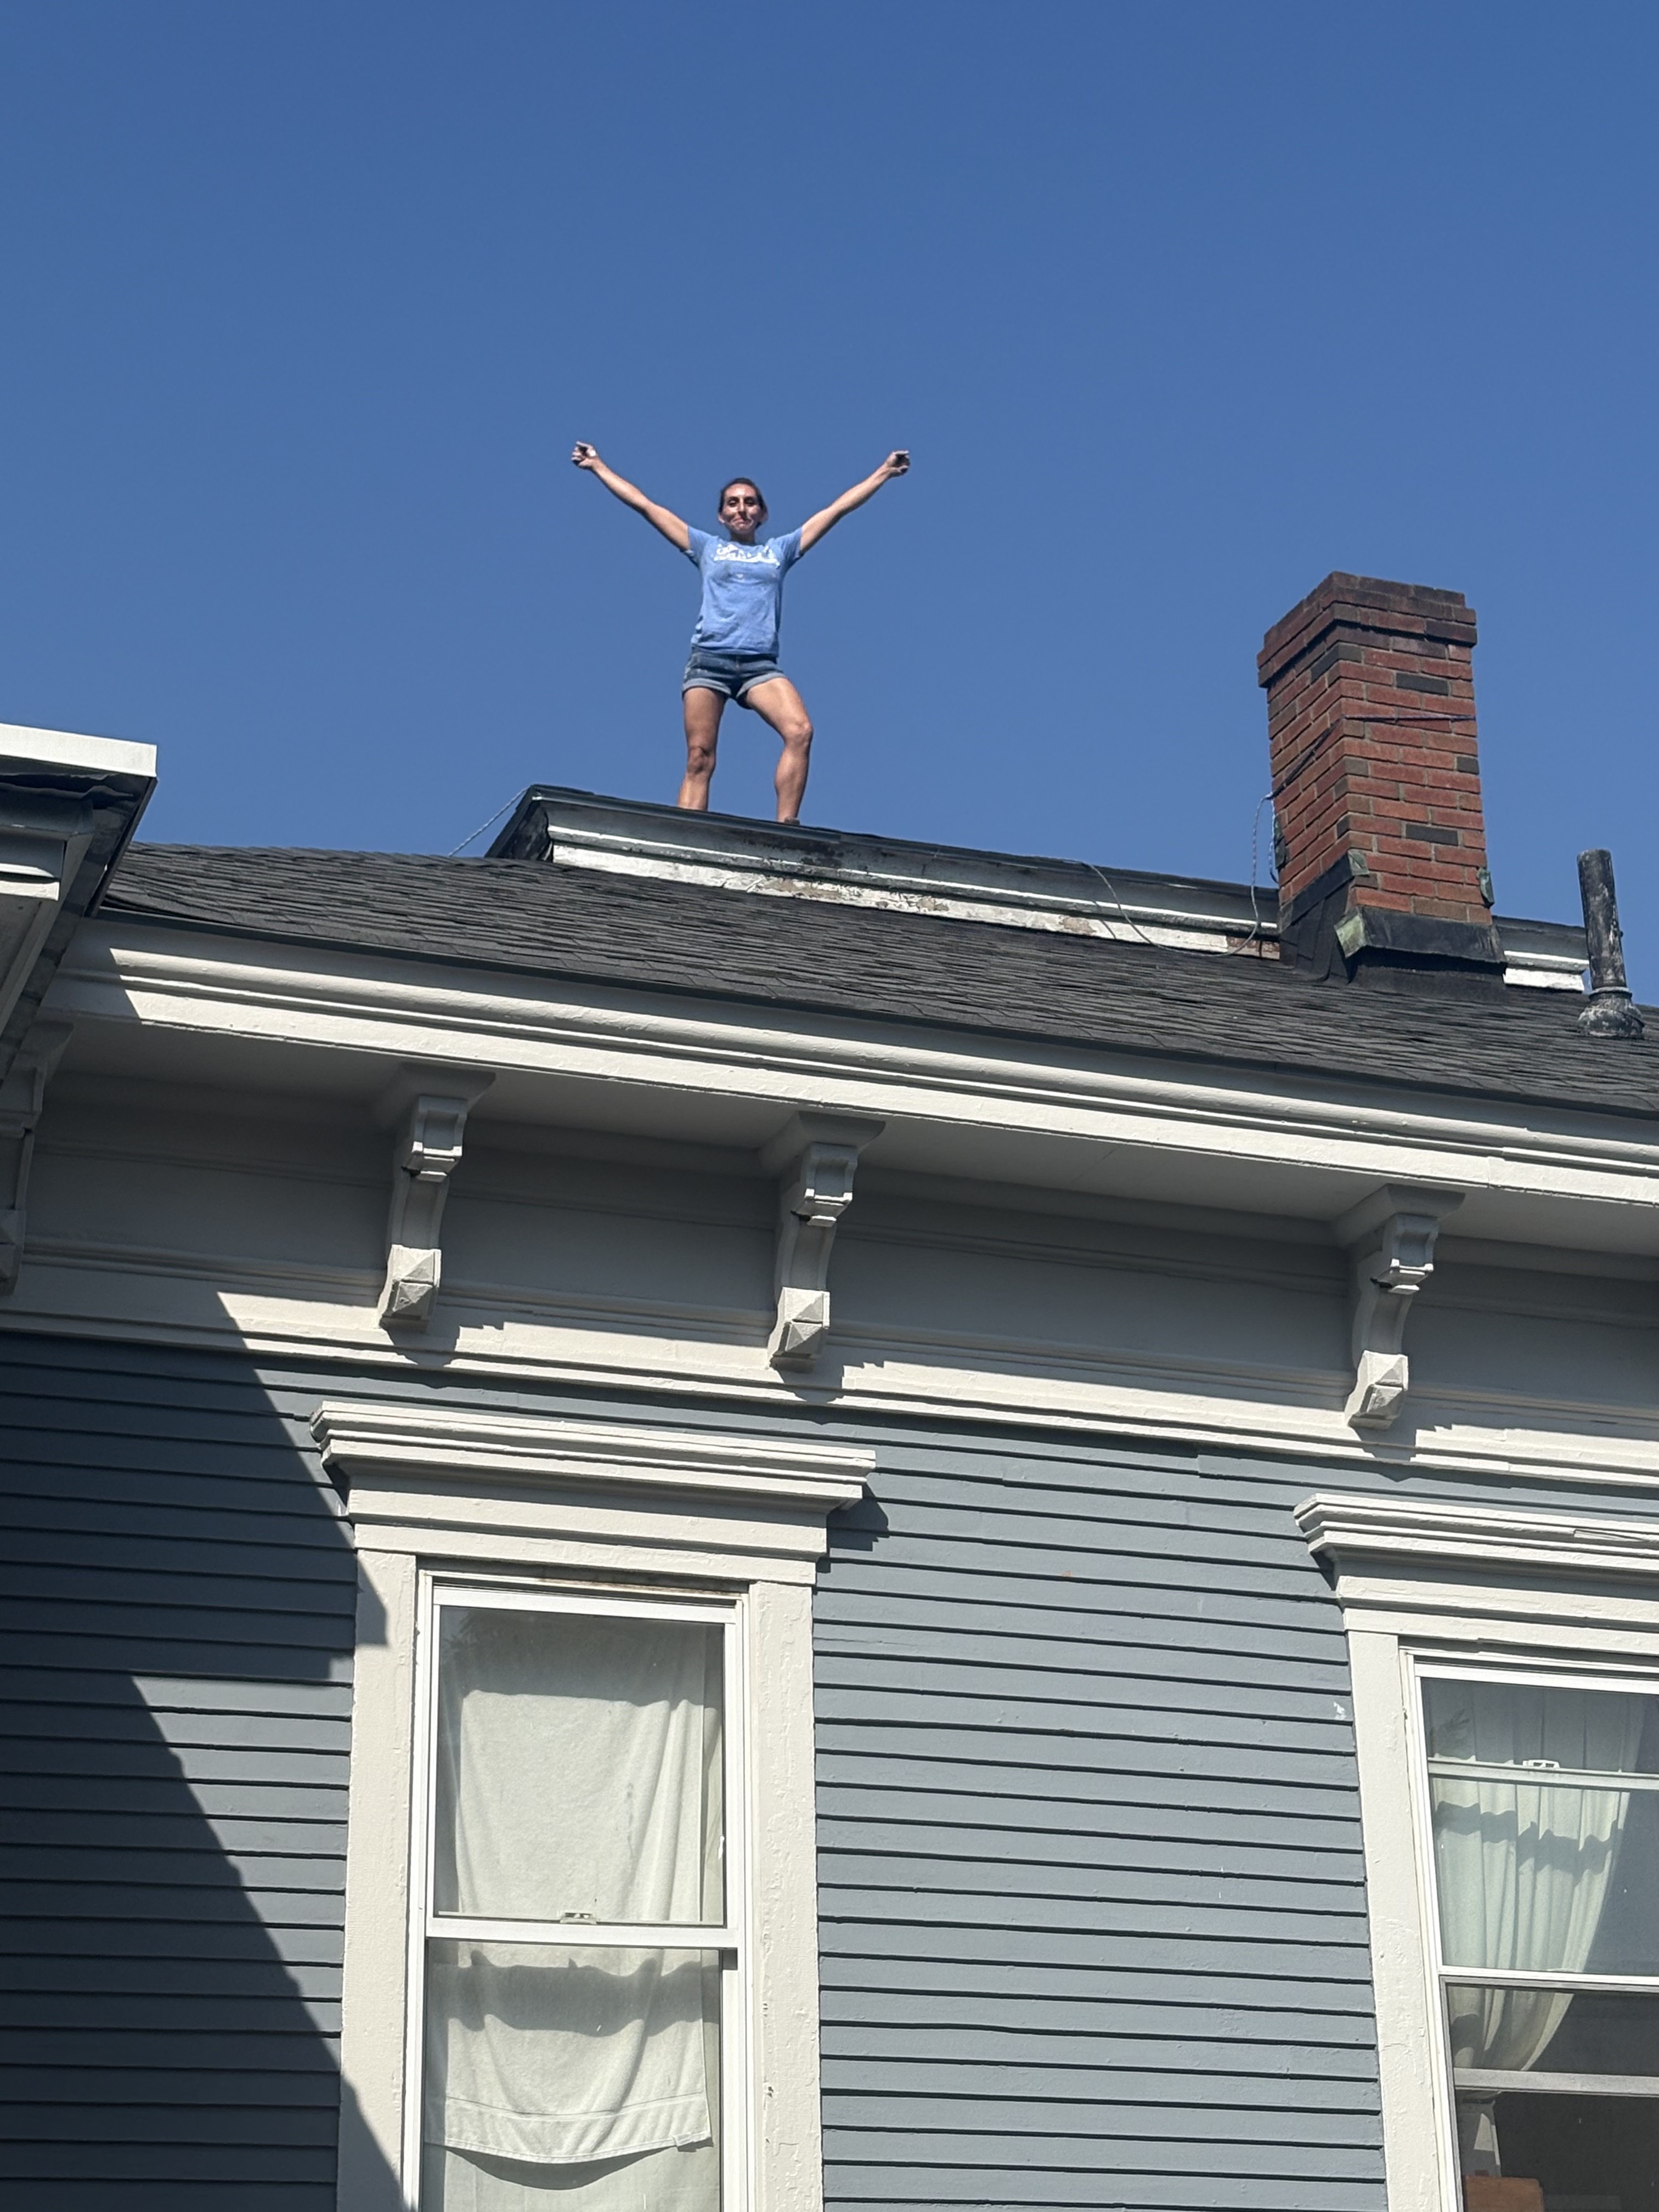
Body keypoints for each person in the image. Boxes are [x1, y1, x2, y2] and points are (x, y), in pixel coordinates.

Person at [571, 443, 910, 821]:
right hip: (709, 662)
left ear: (762, 513)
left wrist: (884, 471)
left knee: (800, 731)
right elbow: (647, 507)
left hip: (759, 667)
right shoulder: (707, 548)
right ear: (721, 515)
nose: (741, 508)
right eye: (732, 503)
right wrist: (598, 466)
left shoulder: (779, 552)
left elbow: (837, 510)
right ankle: (687, 837)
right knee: (701, 756)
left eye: (750, 502)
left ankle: (787, 826)